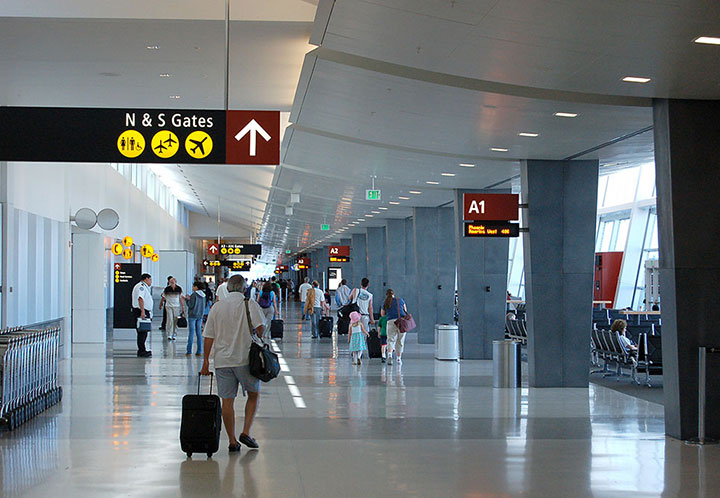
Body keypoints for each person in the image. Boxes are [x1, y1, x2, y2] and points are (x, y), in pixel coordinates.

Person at [200, 275, 265, 452]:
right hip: (245, 360)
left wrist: (205, 361)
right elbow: (261, 328)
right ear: (244, 289)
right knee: (253, 394)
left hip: (222, 361)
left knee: (227, 401)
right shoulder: (249, 304)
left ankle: (232, 441)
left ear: (227, 289)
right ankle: (245, 432)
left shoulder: (217, 307)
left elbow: (208, 336)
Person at [381, 289, 408, 365]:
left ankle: (389, 355)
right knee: (400, 341)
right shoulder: (400, 300)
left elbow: (382, 314)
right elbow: (405, 310)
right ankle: (399, 359)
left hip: (390, 321)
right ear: (393, 294)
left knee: (390, 340)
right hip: (401, 322)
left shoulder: (385, 302)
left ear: (387, 295)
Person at [131, 273, 153, 357]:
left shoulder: (143, 287)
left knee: (144, 332)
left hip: (142, 310)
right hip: (140, 311)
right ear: (146, 279)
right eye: (150, 279)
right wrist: (142, 311)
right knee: (142, 332)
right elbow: (140, 298)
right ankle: (141, 351)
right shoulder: (141, 287)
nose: (151, 282)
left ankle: (142, 349)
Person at [185, 282, 206, 356]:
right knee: (199, 333)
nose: (192, 288)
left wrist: (187, 299)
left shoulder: (194, 295)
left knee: (191, 333)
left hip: (192, 315)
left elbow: (190, 305)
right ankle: (199, 351)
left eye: (193, 286)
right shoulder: (203, 295)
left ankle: (189, 351)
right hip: (200, 315)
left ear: (196, 287)